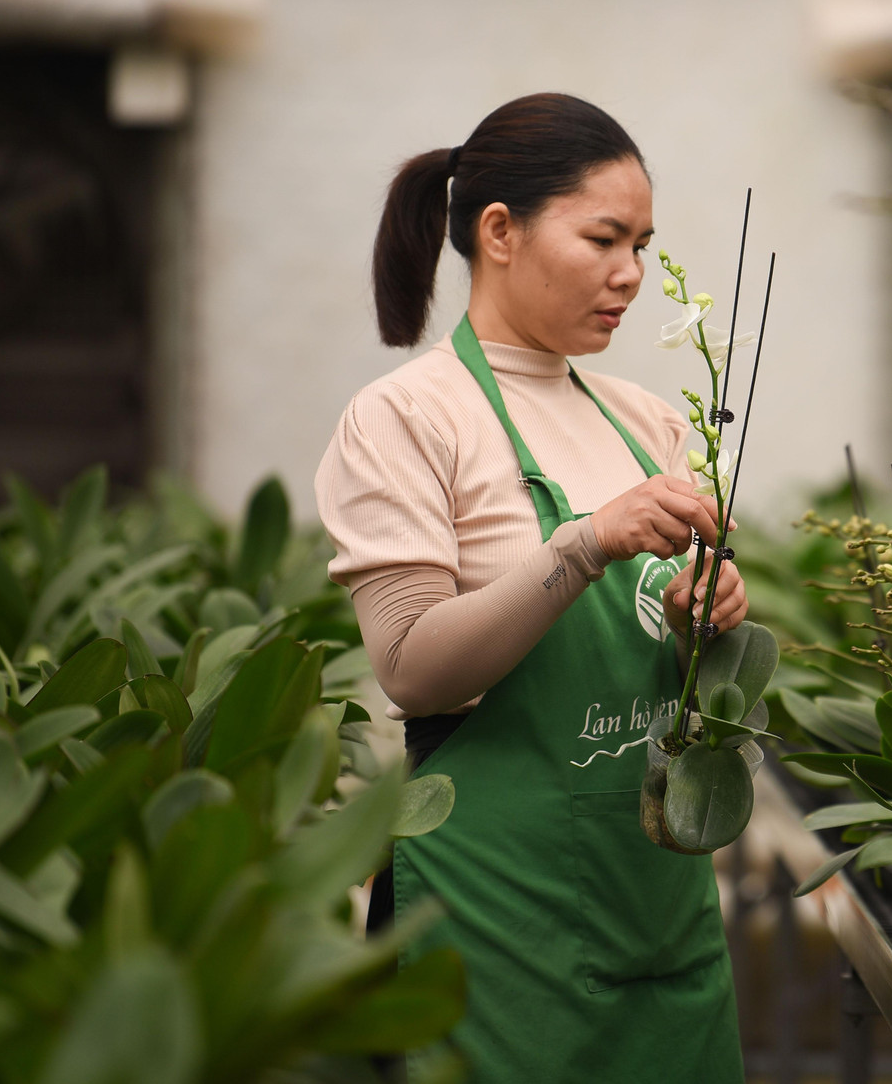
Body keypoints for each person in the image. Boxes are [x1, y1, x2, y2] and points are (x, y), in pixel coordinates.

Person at [316, 93, 746, 1083]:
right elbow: (415, 668)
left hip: (657, 910)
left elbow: (692, 680)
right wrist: (587, 543)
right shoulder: (407, 420)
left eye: (641, 244)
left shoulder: (646, 422)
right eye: (603, 238)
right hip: (490, 921)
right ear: (498, 233)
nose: (630, 275)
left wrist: (711, 620)